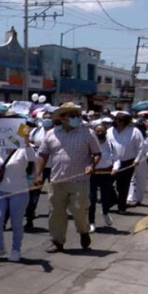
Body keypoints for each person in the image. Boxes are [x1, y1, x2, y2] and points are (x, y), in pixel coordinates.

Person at [34, 102, 101, 253]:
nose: (76, 118)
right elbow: (43, 155)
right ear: (63, 118)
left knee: (79, 211)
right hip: (57, 181)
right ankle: (57, 241)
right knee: (56, 213)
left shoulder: (87, 133)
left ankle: (83, 231)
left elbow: (97, 153)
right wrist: (37, 174)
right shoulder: (51, 134)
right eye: (72, 116)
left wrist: (92, 165)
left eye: (77, 115)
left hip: (79, 181)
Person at [0, 134, 35, 262]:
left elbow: (32, 157)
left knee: (16, 222)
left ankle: (16, 249)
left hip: (19, 191)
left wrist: (26, 140)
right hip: (0, 190)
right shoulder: (0, 148)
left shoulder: (22, 148)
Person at [107, 111, 143, 214]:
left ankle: (121, 206)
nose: (118, 122)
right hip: (112, 161)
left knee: (123, 186)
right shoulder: (109, 131)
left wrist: (137, 160)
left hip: (128, 162)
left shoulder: (134, 131)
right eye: (116, 119)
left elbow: (140, 147)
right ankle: (112, 199)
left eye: (121, 120)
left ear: (125, 121)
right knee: (107, 183)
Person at [25, 111, 55, 231]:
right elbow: (28, 143)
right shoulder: (35, 131)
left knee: (54, 193)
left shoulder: (58, 132)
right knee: (34, 193)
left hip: (53, 167)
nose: (47, 120)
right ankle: (29, 218)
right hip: (38, 167)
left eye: (49, 118)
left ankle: (54, 217)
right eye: (45, 118)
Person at [89, 124, 117, 233]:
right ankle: (91, 222)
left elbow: (116, 159)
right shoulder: (90, 144)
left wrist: (115, 168)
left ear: (105, 132)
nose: (99, 132)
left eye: (102, 130)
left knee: (106, 197)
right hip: (93, 174)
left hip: (106, 173)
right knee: (91, 199)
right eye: (97, 131)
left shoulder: (110, 144)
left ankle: (105, 212)